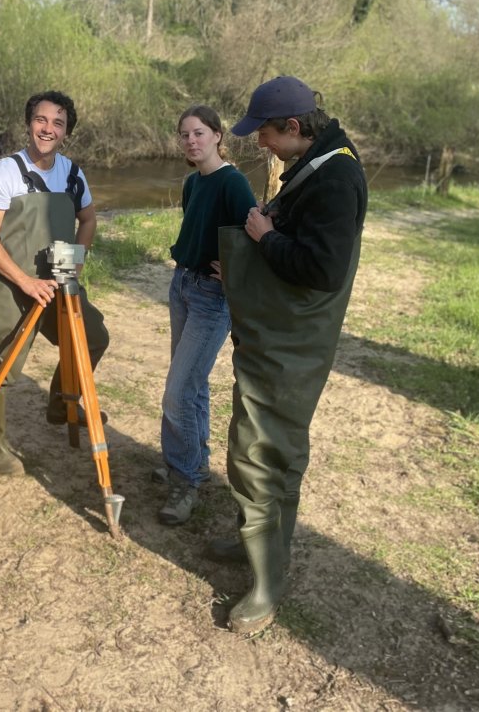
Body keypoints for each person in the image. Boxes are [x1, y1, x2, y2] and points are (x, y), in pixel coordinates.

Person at [214, 75, 367, 635]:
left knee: (265, 452)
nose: (262, 145)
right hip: (279, 335)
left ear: (294, 127)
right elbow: (306, 242)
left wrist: (262, 238)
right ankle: (254, 546)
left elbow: (322, 270)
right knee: (255, 443)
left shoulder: (338, 177)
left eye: (266, 135)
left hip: (294, 346)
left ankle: (265, 583)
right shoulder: (317, 162)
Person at [0, 91, 109, 476]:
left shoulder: (72, 173)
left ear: (67, 132)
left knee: (92, 338)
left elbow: (89, 220)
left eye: (57, 123)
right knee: (2, 362)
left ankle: (60, 403)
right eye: (41, 120)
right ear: (29, 123)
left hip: (57, 280)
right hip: (8, 282)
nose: (48, 129)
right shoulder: (3, 173)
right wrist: (25, 282)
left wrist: (76, 265)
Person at [157, 105, 256, 526]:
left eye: (199, 133)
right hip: (182, 285)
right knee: (191, 386)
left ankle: (186, 480)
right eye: (184, 135)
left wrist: (233, 271)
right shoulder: (192, 183)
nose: (191, 141)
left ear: (217, 135)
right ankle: (190, 466)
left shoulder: (233, 183)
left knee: (178, 390)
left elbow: (254, 234)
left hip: (212, 299)